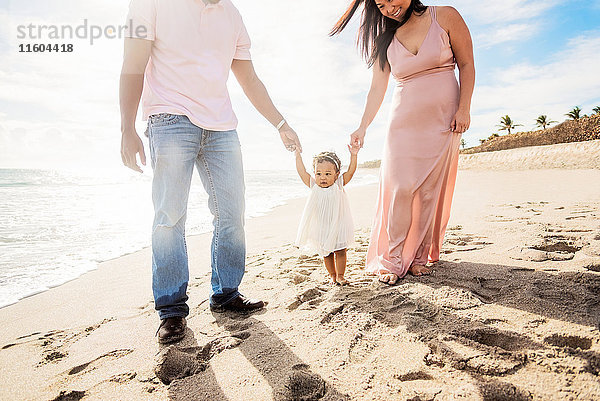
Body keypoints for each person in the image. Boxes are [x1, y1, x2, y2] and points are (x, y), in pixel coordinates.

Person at [119, 0, 302, 344]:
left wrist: (280, 123)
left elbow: (248, 77)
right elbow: (133, 63)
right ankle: (171, 311)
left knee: (232, 214)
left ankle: (226, 293)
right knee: (169, 217)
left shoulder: (232, 15)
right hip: (169, 119)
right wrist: (127, 126)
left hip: (222, 129)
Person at [331, 0, 475, 284]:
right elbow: (377, 88)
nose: (388, 8)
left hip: (443, 120)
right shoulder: (385, 38)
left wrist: (464, 108)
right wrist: (362, 126)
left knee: (428, 192)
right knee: (400, 188)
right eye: (380, 5)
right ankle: (393, 258)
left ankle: (418, 259)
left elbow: (467, 64)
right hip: (402, 124)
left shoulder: (445, 16)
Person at [294, 147, 359, 285]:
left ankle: (341, 275)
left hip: (339, 225)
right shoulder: (314, 185)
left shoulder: (338, 185)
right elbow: (302, 172)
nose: (322, 177)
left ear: (337, 174)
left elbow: (351, 171)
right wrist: (297, 155)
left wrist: (354, 155)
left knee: (340, 251)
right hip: (322, 228)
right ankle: (333, 276)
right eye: (318, 173)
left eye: (328, 174)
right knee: (326, 254)